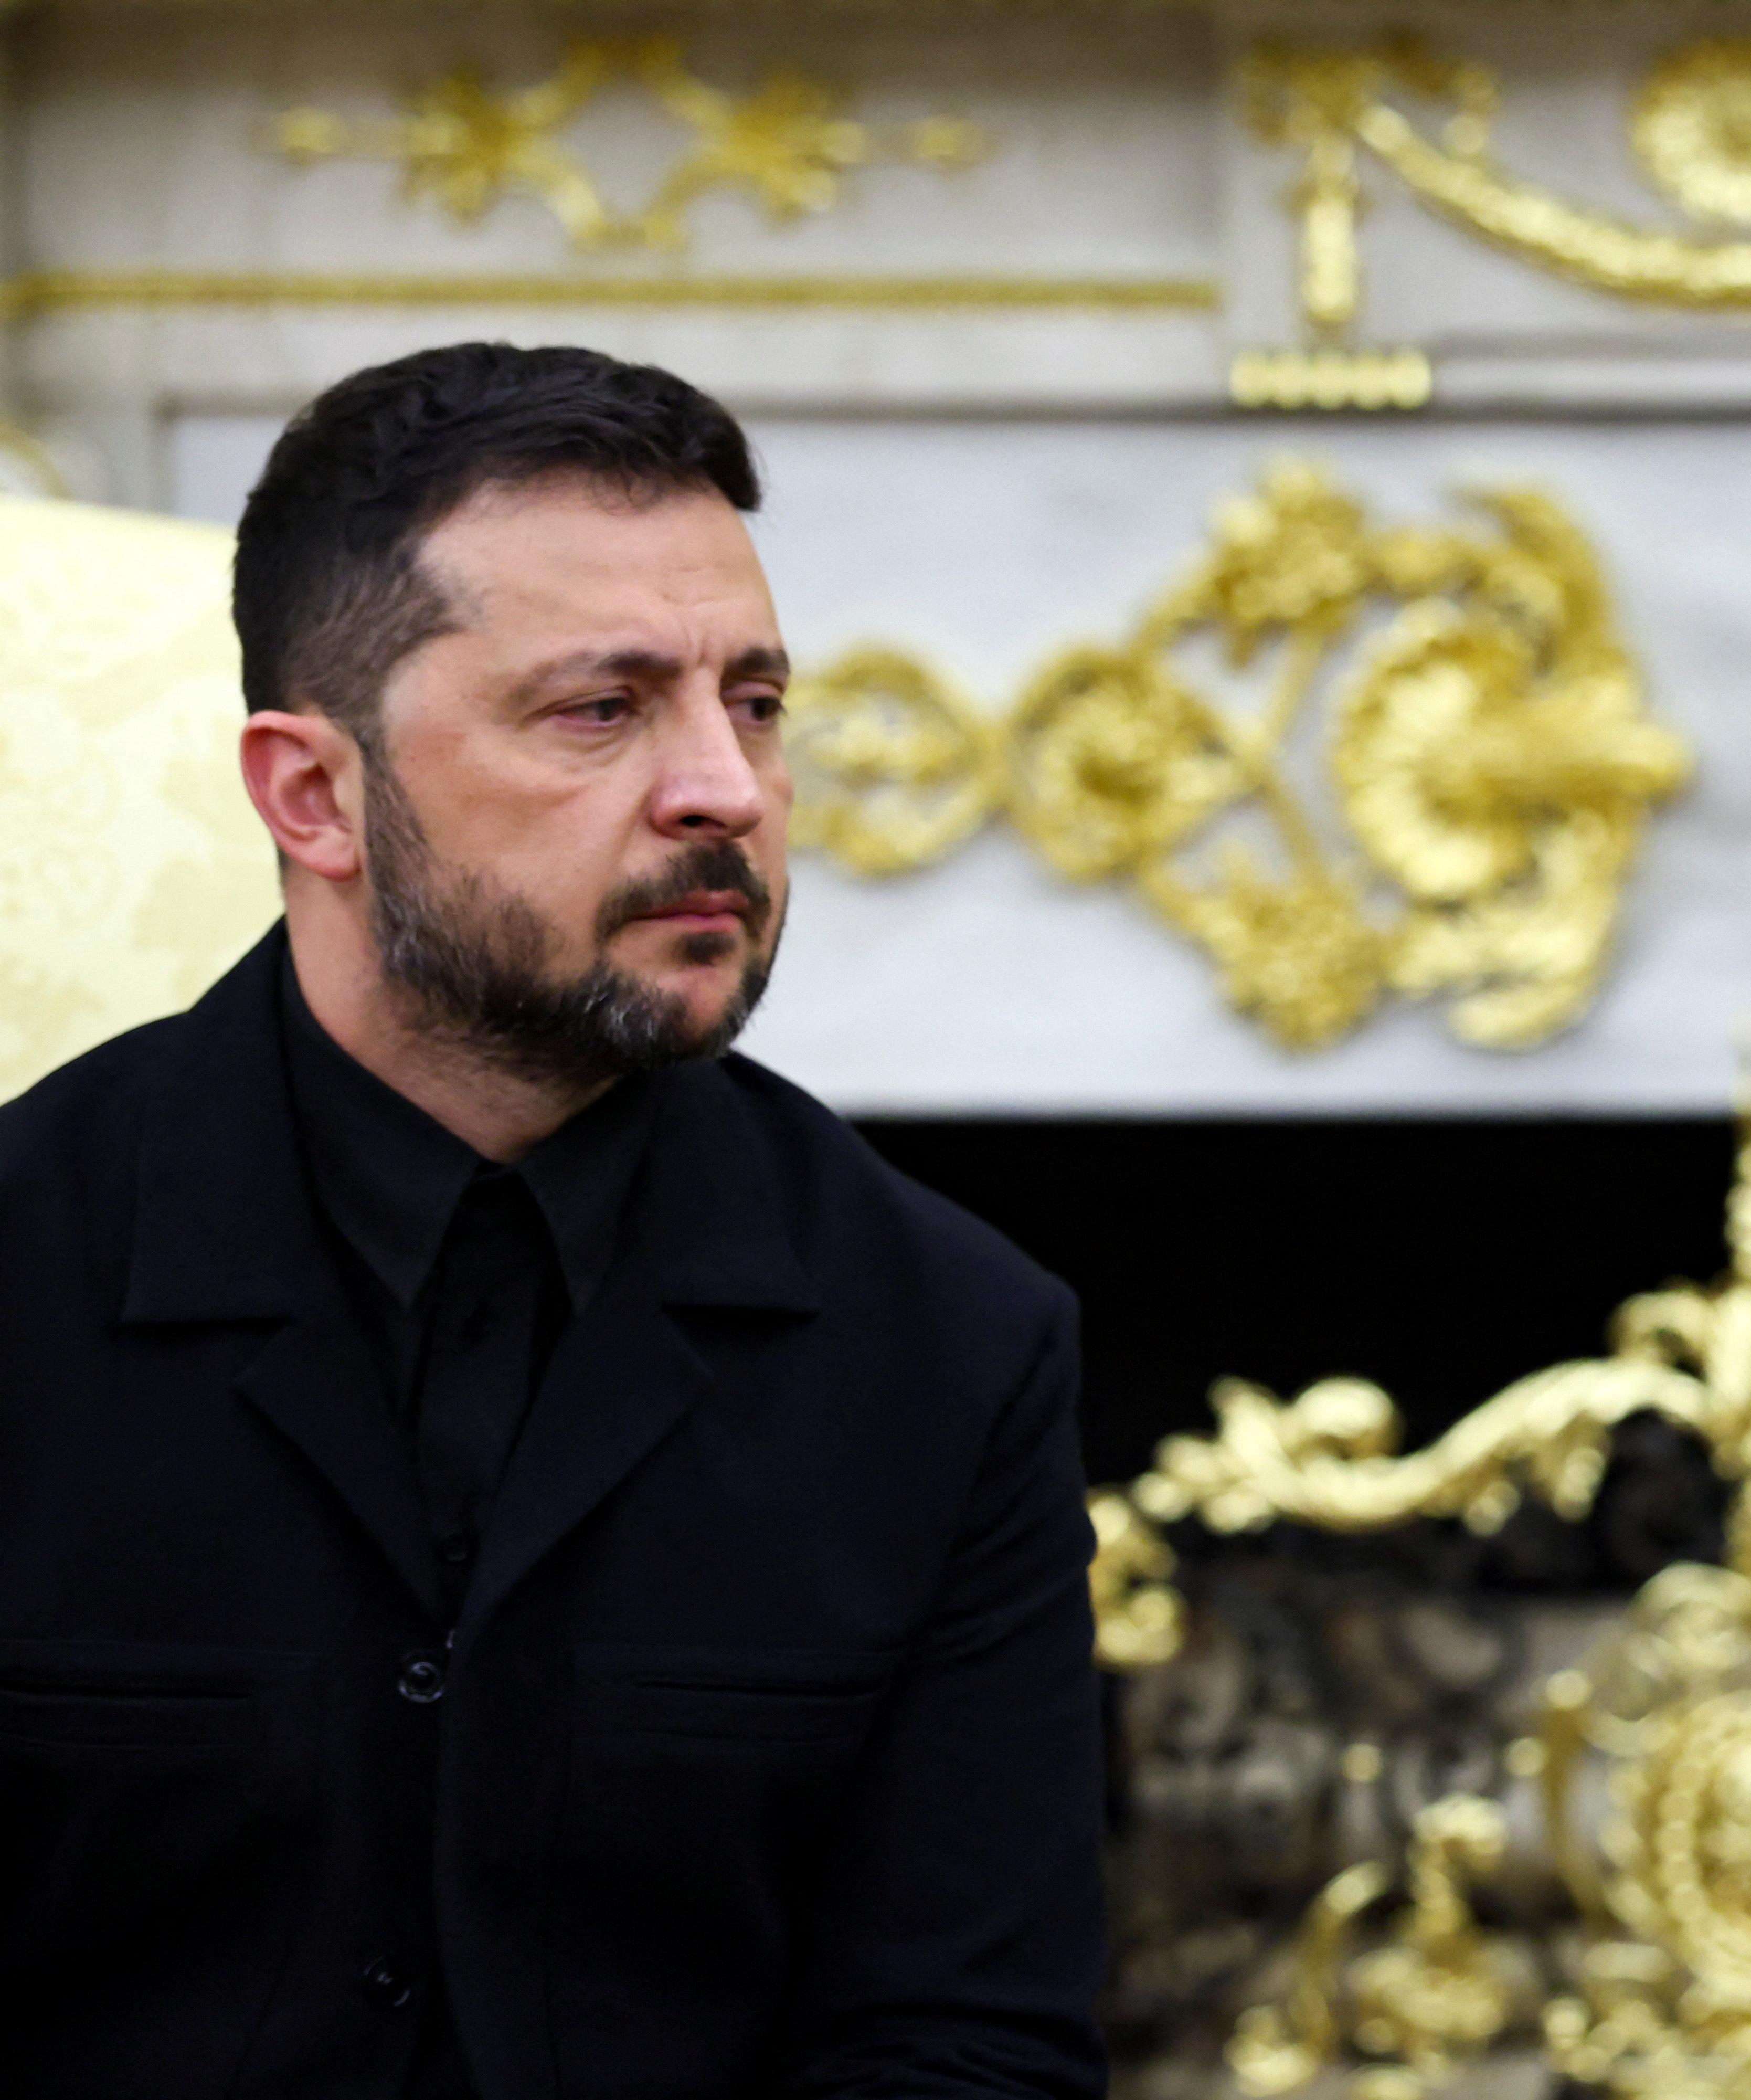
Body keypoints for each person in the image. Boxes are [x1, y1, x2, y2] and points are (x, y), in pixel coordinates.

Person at [0, 344, 1105, 2095]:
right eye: (602, 708)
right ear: (312, 795)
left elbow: (962, 2043)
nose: (725, 788)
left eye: (754, 701)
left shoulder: (957, 1346)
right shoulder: (24, 1274)